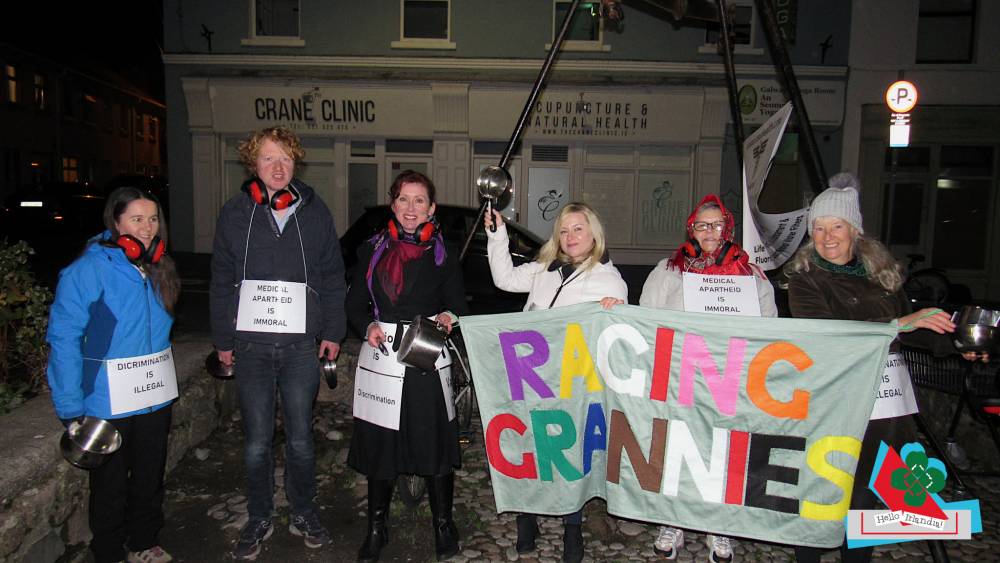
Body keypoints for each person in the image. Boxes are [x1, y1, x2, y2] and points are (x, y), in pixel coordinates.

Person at [783, 173, 957, 563]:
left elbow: (912, 328)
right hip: (835, 405)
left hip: (885, 409)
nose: (828, 237)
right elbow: (830, 335)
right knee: (820, 496)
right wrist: (899, 325)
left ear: (855, 230)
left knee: (865, 503)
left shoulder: (881, 275)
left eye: (837, 226)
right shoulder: (805, 280)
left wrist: (955, 342)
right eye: (819, 227)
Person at [210, 126, 347, 560]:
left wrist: (332, 331)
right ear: (254, 163)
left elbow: (331, 275)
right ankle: (259, 514)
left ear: (296, 163)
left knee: (302, 438)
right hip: (250, 347)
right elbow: (220, 280)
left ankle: (303, 511)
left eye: (286, 158)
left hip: (300, 348)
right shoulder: (235, 214)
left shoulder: (315, 212)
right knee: (255, 440)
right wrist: (223, 339)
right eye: (269, 158)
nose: (278, 166)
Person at [484, 201, 628, 563]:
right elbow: (504, 279)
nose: (570, 236)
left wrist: (617, 308)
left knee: (566, 453)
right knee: (529, 444)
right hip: (531, 377)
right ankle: (526, 516)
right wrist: (497, 233)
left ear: (593, 233)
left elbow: (618, 328)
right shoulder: (544, 268)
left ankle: (572, 527)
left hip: (571, 384)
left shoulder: (607, 277)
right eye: (564, 230)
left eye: (578, 228)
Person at [639, 194, 776, 562]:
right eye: (702, 225)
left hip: (728, 378)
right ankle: (675, 519)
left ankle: (720, 524)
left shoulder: (752, 276)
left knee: (723, 452)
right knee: (678, 449)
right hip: (680, 375)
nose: (709, 231)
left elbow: (769, 327)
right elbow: (647, 320)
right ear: (692, 229)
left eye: (716, 224)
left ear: (728, 227)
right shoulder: (669, 270)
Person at [46, 186, 181, 563]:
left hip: (152, 394)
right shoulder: (87, 270)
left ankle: (143, 542)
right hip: (107, 400)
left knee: (150, 477)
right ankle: (107, 552)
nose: (147, 227)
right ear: (115, 221)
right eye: (137, 218)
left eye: (153, 219)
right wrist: (71, 406)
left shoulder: (158, 265)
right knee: (109, 484)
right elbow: (64, 337)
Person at [345, 170, 468, 563]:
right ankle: (377, 527)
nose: (410, 208)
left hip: (425, 357)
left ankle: (443, 524)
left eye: (419, 201)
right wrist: (366, 327)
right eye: (403, 199)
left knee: (433, 439)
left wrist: (448, 318)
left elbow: (457, 305)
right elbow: (354, 304)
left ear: (431, 208)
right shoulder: (371, 250)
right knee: (381, 444)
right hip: (382, 359)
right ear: (392, 204)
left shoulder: (443, 254)